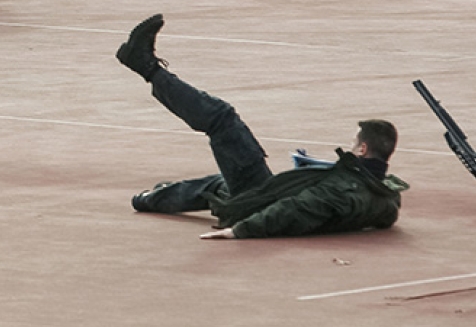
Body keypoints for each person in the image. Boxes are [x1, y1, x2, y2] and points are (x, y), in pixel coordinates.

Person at [115, 14, 406, 239]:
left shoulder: (346, 189)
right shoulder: (384, 195)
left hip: (257, 204)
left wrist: (240, 230)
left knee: (222, 119)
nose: (351, 147)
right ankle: (148, 200)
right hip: (264, 195)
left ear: (364, 148)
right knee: (223, 182)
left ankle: (145, 66)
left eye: (355, 143)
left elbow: (298, 208)